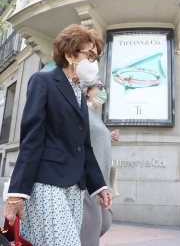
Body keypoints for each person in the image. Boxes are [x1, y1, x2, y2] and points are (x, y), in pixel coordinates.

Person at [3, 24, 112, 246]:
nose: (94, 61)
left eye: (96, 56)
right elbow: (31, 139)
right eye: (89, 54)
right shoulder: (43, 81)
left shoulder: (80, 95)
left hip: (74, 188)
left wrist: (99, 186)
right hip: (46, 182)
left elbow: (85, 147)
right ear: (69, 53)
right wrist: (17, 194)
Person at [80, 78, 119, 246]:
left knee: (105, 222)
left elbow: (92, 140)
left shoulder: (96, 115)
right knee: (92, 229)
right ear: (87, 91)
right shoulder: (82, 111)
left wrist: (107, 137)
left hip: (101, 182)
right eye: (99, 87)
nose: (103, 91)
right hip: (89, 180)